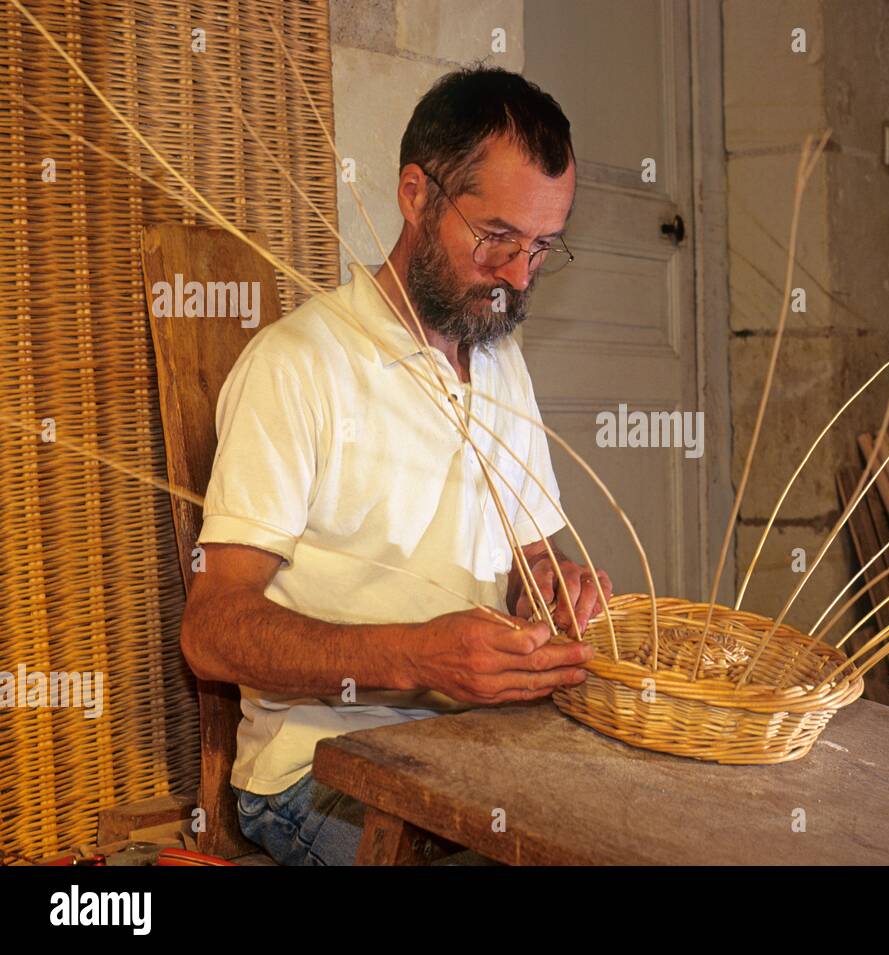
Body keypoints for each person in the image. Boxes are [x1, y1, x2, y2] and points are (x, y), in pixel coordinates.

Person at [180, 67, 612, 866]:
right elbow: (211, 632)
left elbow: (532, 554)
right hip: (321, 772)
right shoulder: (297, 366)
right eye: (496, 238)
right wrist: (418, 655)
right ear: (417, 195)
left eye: (542, 248)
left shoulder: (499, 355)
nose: (518, 277)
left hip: (480, 746)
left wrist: (553, 581)